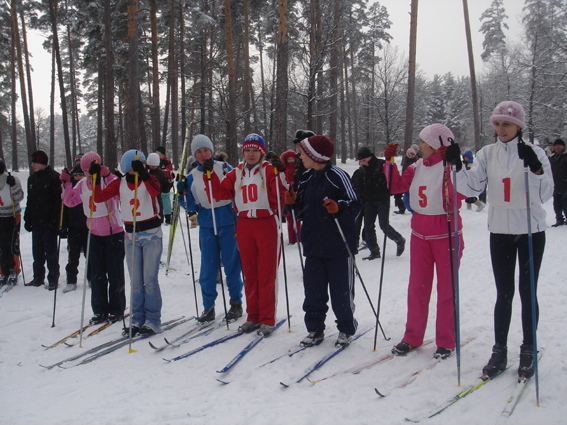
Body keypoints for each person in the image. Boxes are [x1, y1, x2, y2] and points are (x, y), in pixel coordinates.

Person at [446, 101, 553, 378]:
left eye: (506, 123)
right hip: (500, 232)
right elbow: (471, 187)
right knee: (503, 293)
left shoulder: (535, 152)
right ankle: (500, 350)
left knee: (527, 291)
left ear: (519, 125)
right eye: (497, 123)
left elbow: (545, 195)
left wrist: (537, 170)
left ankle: (528, 348)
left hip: (530, 230)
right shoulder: (487, 153)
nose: (501, 128)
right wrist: (456, 168)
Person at [387, 124, 466, 359]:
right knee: (417, 287)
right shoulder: (416, 166)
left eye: (424, 142)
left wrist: (456, 167)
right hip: (420, 233)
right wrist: (390, 163)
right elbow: (396, 187)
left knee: (447, 289)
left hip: (446, 232)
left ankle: (446, 340)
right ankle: (412, 336)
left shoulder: (450, 168)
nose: (419, 146)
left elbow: (462, 193)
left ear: (435, 146)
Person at [285, 135, 362, 348]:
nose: (299, 156)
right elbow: (301, 211)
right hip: (313, 246)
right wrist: (293, 203)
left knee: (341, 294)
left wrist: (339, 208)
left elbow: (355, 205)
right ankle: (315, 328)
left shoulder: (338, 176)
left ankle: (346, 328)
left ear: (314, 155)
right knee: (313, 293)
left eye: (302, 153)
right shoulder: (307, 178)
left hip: (338, 247)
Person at [206, 133, 286, 336]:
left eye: (255, 150)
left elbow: (281, 195)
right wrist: (211, 175)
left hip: (266, 223)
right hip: (244, 224)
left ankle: (267, 317)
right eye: (247, 150)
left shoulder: (268, 170)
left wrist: (280, 172)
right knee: (249, 272)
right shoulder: (236, 173)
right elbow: (220, 193)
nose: (251, 154)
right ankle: (253, 316)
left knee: (266, 273)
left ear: (262, 152)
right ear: (243, 153)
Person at [91, 150, 163, 335]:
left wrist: (145, 174)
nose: (136, 168)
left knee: (150, 281)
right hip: (131, 237)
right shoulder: (119, 183)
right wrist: (96, 178)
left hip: (151, 235)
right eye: (132, 165)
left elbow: (156, 190)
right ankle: (137, 318)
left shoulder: (148, 179)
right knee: (136, 282)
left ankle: (153, 319)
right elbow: (99, 198)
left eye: (139, 164)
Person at [177, 134, 244, 324]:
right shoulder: (192, 176)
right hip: (207, 222)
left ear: (211, 151)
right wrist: (181, 192)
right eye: (199, 152)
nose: (203, 154)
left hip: (227, 219)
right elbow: (188, 203)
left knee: (232, 264)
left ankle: (236, 302)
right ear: (194, 155)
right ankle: (208, 307)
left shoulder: (224, 168)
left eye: (206, 150)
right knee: (208, 267)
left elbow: (236, 186)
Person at [62, 152, 126, 324]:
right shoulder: (83, 184)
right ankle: (100, 310)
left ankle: (117, 308)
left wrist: (107, 175)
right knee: (97, 274)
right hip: (94, 233)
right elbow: (69, 201)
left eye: (89, 170)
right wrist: (67, 183)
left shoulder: (108, 179)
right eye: (84, 171)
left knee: (115, 273)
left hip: (114, 232)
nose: (87, 175)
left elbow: (120, 193)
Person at [351, 146, 405, 260]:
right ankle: (374, 251)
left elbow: (392, 178)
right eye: (361, 161)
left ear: (370, 156)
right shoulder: (362, 170)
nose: (363, 163)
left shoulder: (381, 164)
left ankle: (399, 239)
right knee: (368, 226)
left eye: (365, 160)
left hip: (382, 199)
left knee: (383, 225)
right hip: (369, 200)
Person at [24, 151, 61, 290]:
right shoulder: (32, 179)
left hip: (49, 222)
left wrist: (54, 220)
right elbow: (30, 200)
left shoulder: (54, 178)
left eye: (34, 162)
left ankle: (53, 278)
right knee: (37, 252)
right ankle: (38, 277)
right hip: (36, 222)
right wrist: (27, 217)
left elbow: (58, 202)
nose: (32, 165)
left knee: (51, 252)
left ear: (41, 162)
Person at [59, 164, 91, 294]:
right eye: (76, 174)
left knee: (90, 255)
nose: (78, 177)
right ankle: (71, 280)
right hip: (73, 228)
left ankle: (91, 278)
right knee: (73, 256)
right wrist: (63, 226)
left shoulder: (86, 186)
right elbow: (64, 209)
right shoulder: (70, 187)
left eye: (80, 174)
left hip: (87, 226)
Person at [0, 159, 24, 286]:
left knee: (12, 244)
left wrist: (13, 185)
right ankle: (3, 272)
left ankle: (14, 269)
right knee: (1, 246)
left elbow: (19, 197)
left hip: (12, 215)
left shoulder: (11, 179)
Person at [280, 149, 301, 244]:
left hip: (296, 195)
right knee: (289, 219)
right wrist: (289, 186)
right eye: (289, 159)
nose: (291, 161)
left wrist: (294, 186)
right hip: (287, 195)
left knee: (297, 218)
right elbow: (283, 182)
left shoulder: (298, 169)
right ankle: (292, 238)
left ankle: (299, 237)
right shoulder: (285, 170)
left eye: (292, 159)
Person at [549, 138, 567, 227]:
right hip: (555, 185)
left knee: (565, 203)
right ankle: (559, 219)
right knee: (556, 204)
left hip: (565, 185)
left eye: (559, 145)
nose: (557, 147)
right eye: (555, 145)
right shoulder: (551, 158)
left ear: (563, 146)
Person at [156, 147, 174, 225]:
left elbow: (168, 171)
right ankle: (160, 217)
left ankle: (168, 217)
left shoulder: (167, 161)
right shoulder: (156, 161)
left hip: (166, 182)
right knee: (158, 200)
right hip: (158, 182)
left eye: (158, 153)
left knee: (165, 199)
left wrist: (161, 172)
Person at [147, 153, 166, 223]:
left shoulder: (160, 173)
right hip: (147, 197)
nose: (153, 168)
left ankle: (160, 219)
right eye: (151, 166)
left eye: (155, 166)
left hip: (157, 196)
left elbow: (164, 187)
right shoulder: (145, 172)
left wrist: (168, 183)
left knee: (158, 209)